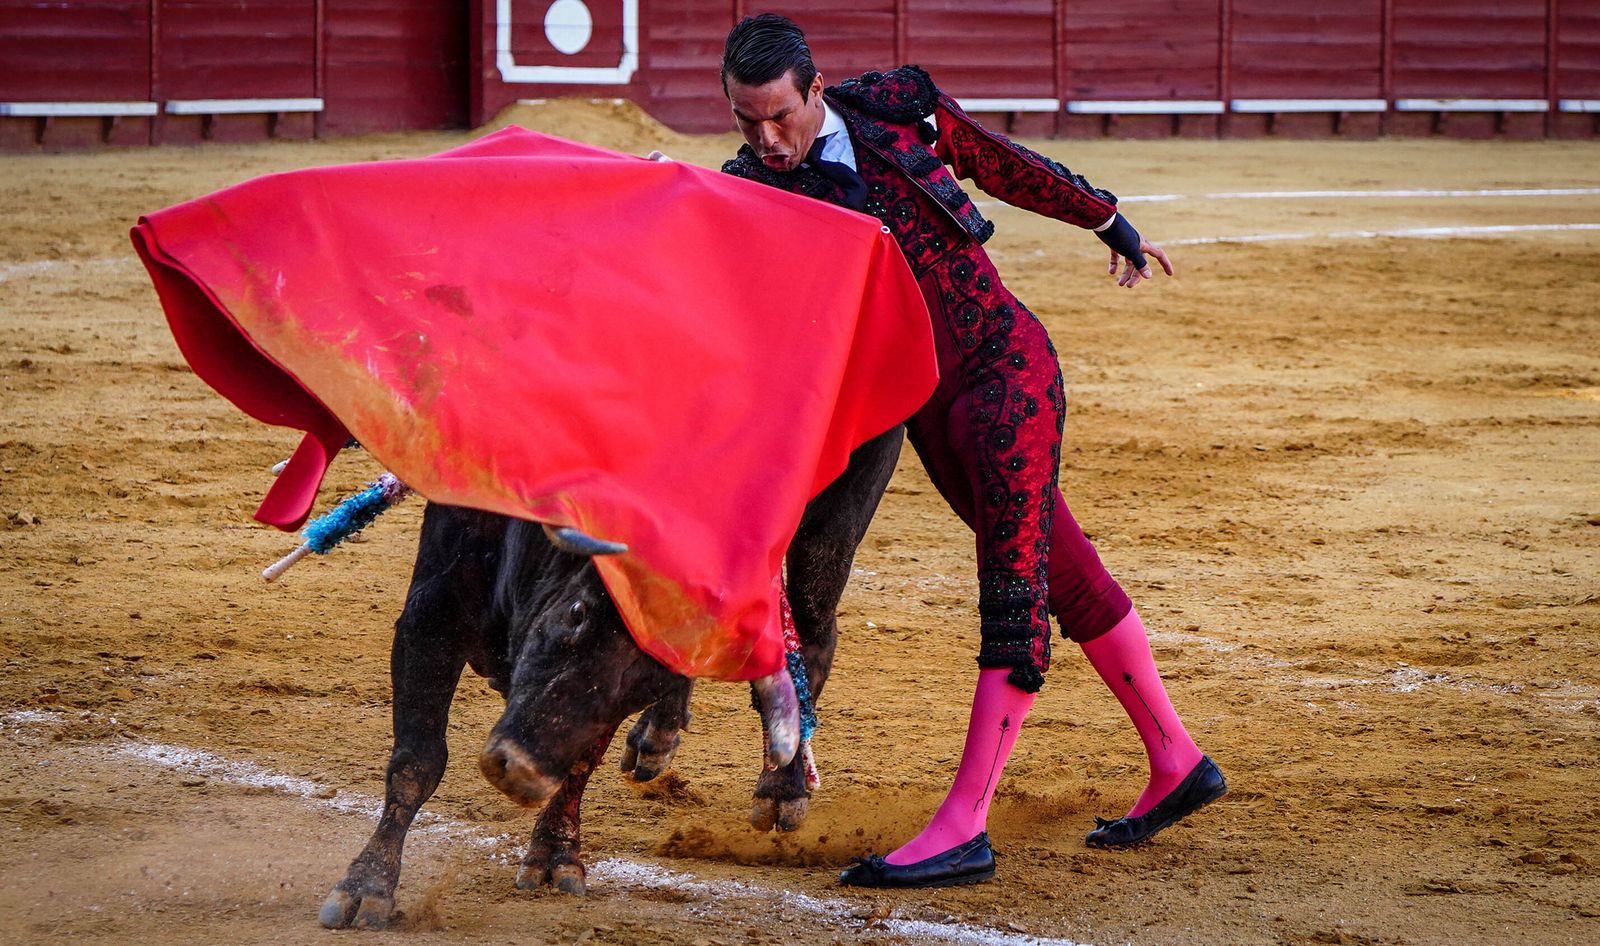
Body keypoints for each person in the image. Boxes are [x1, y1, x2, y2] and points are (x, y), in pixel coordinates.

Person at [714, 14, 1226, 888]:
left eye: (780, 117)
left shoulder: (894, 109)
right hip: (931, 419)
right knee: (1065, 575)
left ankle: (965, 825)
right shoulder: (749, 191)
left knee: (1014, 590)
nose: (768, 139)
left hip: (1002, 373)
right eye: (746, 121)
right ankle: (1177, 759)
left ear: (816, 91)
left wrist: (1110, 222)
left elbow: (1000, 163)